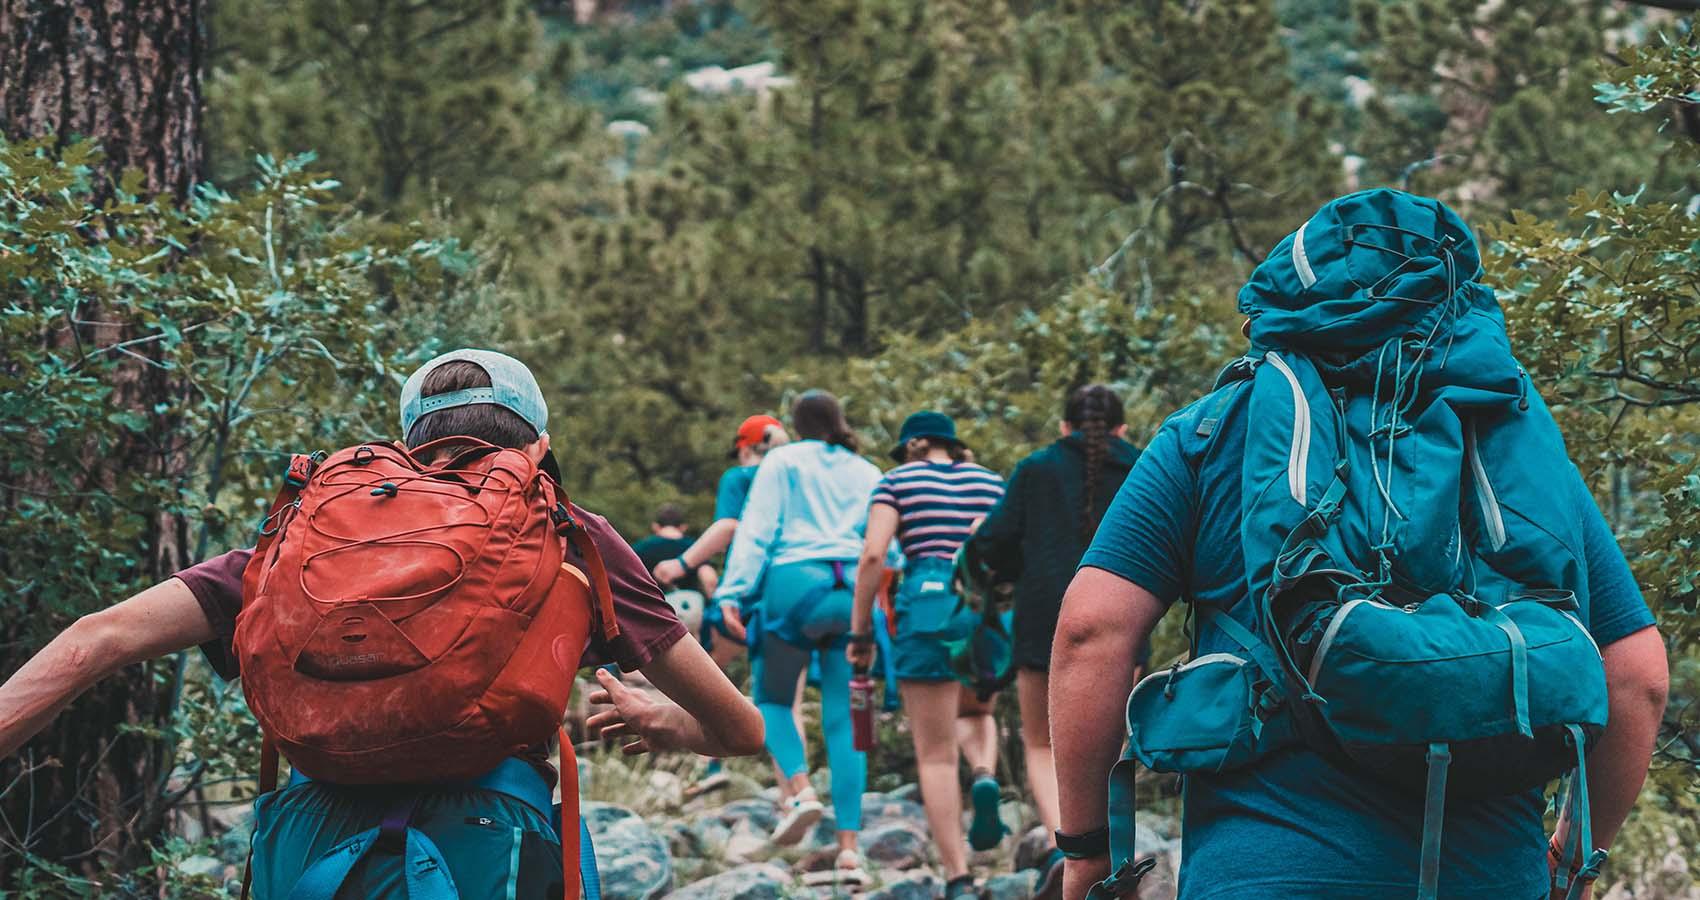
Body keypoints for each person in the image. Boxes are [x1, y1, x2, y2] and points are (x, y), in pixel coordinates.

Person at [1050, 196, 1669, 900]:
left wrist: (1088, 856)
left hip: (1265, 872)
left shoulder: (1211, 436)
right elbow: (1636, 676)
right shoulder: (1511, 453)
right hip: (1490, 876)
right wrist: (1572, 857)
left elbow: (1090, 633)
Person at [0, 349, 766, 897]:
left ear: (404, 447)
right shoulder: (568, 537)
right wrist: (672, 724)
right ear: (539, 448)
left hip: (314, 843)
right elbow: (743, 732)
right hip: (488, 840)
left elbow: (95, 640)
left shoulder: (313, 536)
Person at [965, 384, 1144, 900]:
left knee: (1043, 743)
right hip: (1124, 616)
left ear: (1064, 427)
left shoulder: (1036, 468)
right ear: (1122, 430)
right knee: (1114, 745)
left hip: (1045, 615)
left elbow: (993, 544)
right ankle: (1113, 851)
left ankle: (1066, 854)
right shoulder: (1141, 465)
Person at [713, 390, 883, 885]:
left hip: (795, 585)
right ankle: (850, 853)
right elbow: (882, 548)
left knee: (772, 698)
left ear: (796, 423)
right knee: (849, 718)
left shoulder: (783, 461)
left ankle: (803, 792)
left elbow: (758, 530)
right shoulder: (866, 470)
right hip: (852, 589)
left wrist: (733, 591)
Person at [849, 411, 1008, 900]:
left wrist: (860, 634)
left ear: (916, 444)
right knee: (978, 711)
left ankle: (959, 878)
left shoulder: (897, 482)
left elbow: (875, 555)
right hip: (985, 609)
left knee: (935, 756)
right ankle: (984, 774)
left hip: (927, 605)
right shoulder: (991, 483)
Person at [632, 502, 718, 633]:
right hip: (690, 610)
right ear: (683, 527)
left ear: (655, 526)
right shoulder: (696, 549)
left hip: (654, 612)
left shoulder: (641, 548)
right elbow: (710, 579)